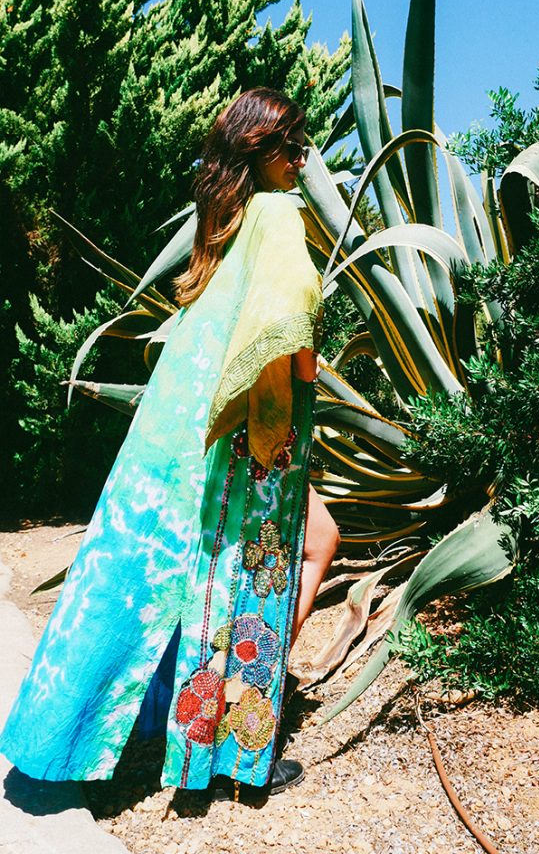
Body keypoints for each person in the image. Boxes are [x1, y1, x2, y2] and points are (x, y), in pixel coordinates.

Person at [0, 87, 340, 800]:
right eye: (293, 144)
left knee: (157, 579)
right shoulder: (276, 211)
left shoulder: (220, 219)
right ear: (262, 150)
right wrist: (306, 379)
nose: (303, 157)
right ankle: (236, 750)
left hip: (177, 426)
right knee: (260, 574)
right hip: (247, 431)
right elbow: (290, 313)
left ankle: (124, 727)